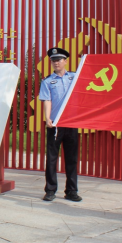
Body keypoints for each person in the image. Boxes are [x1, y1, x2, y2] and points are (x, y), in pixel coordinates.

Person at [40, 47, 82, 202]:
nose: (56, 63)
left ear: (65, 61)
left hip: (71, 123)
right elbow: (47, 100)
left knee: (71, 158)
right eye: (53, 60)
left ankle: (71, 191)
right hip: (55, 124)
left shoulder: (75, 77)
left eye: (58, 60)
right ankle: (50, 190)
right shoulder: (47, 81)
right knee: (51, 158)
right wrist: (47, 118)